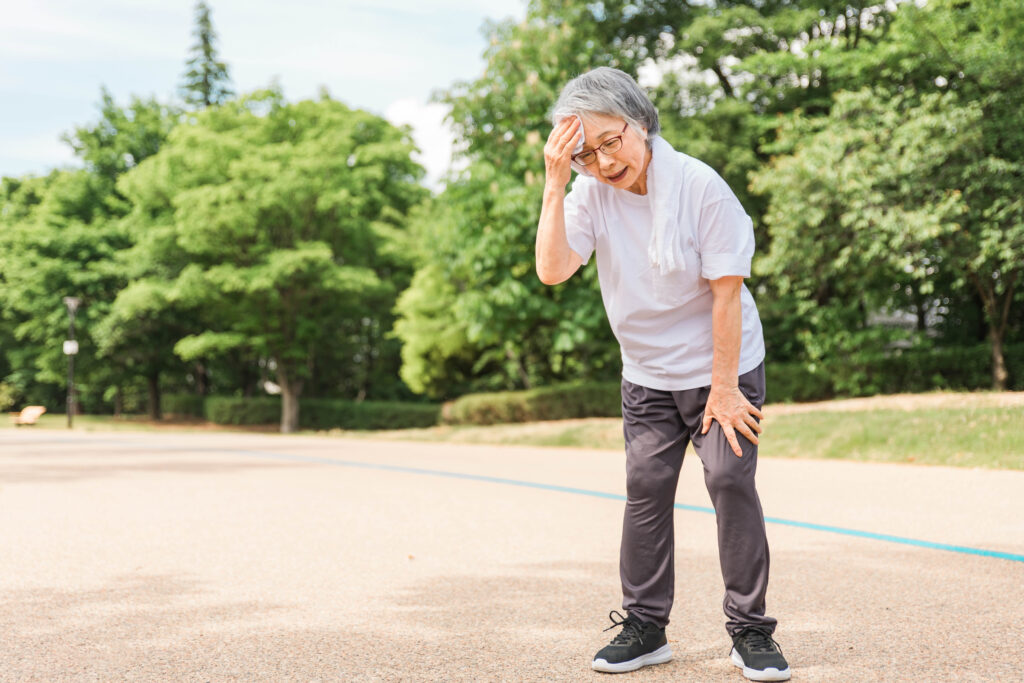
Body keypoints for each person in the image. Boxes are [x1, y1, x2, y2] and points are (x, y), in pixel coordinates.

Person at [535, 67, 790, 682]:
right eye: (585, 153)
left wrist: (725, 390)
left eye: (610, 142)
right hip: (647, 373)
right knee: (645, 489)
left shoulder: (700, 186)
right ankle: (646, 627)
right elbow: (552, 269)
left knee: (729, 480)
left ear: (641, 122)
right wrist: (554, 182)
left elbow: (726, 294)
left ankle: (750, 630)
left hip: (720, 364)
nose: (601, 161)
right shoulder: (589, 192)